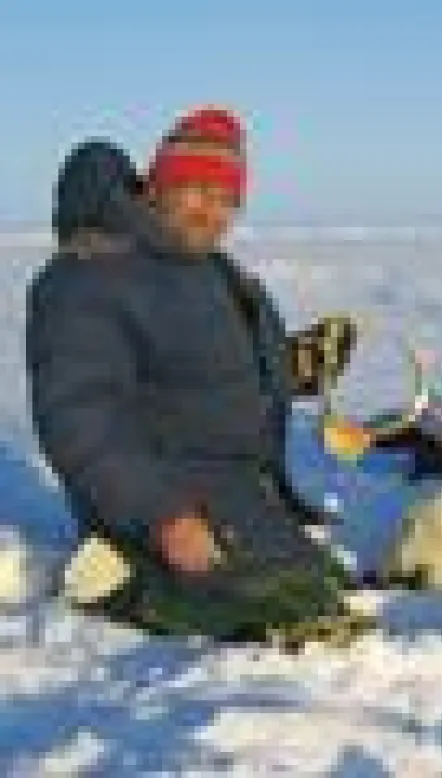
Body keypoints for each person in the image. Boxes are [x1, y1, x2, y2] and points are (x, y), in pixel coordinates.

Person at [27, 108, 370, 645]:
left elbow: (208, 370)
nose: (213, 211)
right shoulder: (89, 275)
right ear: (159, 184)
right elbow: (80, 418)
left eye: (227, 199)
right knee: (292, 608)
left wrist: (297, 363)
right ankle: (116, 580)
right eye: (196, 190)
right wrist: (162, 515)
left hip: (233, 491)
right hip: (160, 499)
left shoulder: (207, 268)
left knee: (327, 584)